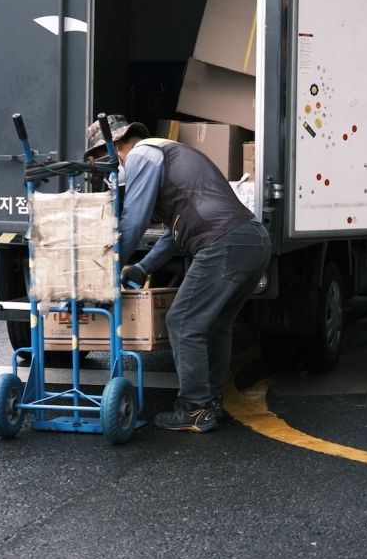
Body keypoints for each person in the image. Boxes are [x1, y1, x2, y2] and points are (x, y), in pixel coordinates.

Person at [86, 114, 271, 433]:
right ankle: (209, 403)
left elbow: (134, 220)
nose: (103, 169)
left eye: (99, 159)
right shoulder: (168, 154)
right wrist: (143, 267)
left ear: (114, 146)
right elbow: (176, 233)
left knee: (183, 320)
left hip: (224, 241)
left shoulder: (142, 154)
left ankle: (195, 407)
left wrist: (106, 266)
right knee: (214, 324)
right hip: (250, 239)